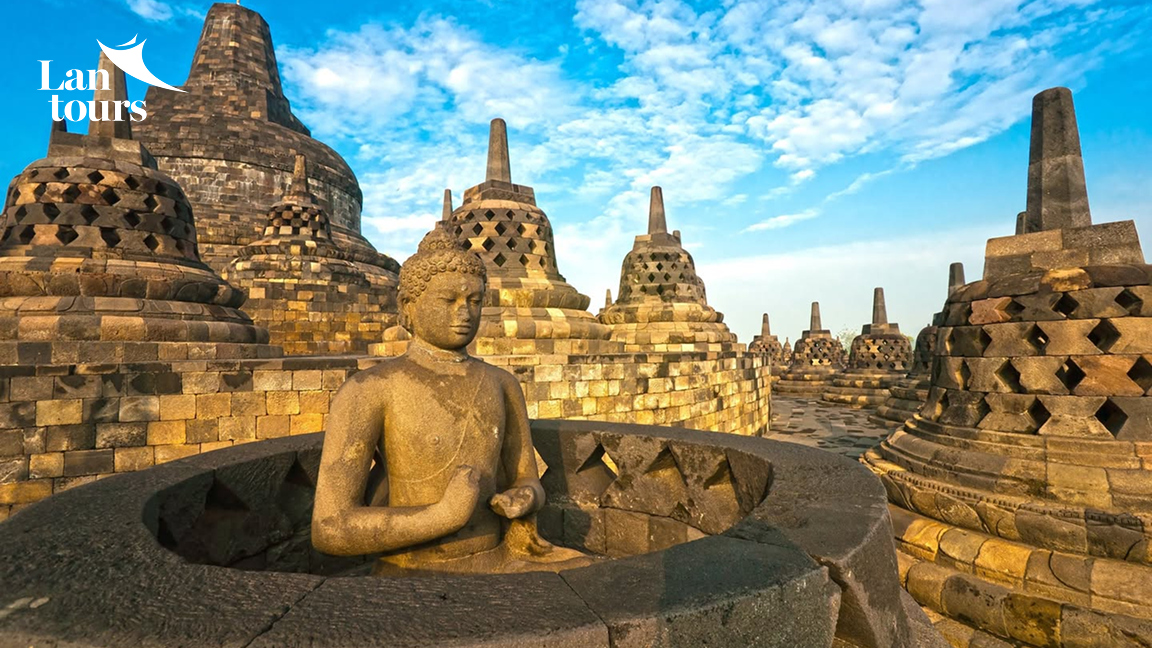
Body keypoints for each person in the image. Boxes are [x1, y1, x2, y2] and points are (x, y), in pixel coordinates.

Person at [311, 226, 588, 574]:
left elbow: (526, 479)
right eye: (448, 300)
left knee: (602, 579)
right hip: (413, 570)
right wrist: (442, 517)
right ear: (409, 306)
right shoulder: (370, 389)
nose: (465, 313)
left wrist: (526, 497)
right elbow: (329, 527)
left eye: (474, 301)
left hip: (501, 559)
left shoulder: (502, 384)